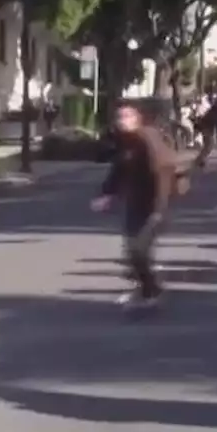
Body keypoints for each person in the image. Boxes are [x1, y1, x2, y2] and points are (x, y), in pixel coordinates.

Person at [92, 102, 181, 310]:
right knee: (133, 251)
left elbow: (163, 174)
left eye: (127, 117)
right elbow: (118, 170)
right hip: (135, 202)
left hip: (154, 203)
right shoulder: (125, 142)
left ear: (137, 120)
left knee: (139, 249)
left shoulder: (146, 140)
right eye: (119, 117)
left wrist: (159, 208)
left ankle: (149, 289)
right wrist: (107, 194)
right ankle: (149, 288)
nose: (122, 121)